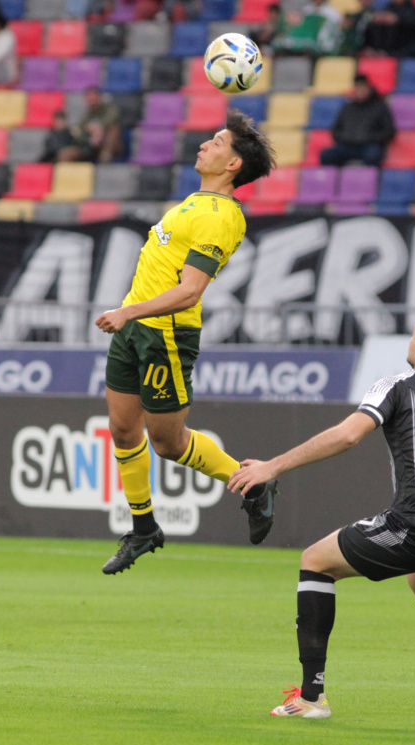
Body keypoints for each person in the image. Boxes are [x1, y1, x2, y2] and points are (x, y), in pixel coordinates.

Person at [230, 307, 415, 720]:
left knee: (316, 562)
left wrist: (273, 466)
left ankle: (311, 698)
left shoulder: (398, 384)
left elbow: (348, 435)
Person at [93, 111, 279, 575]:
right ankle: (143, 529)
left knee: (169, 444)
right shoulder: (193, 203)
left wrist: (128, 311)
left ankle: (252, 484)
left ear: (233, 164)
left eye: (216, 142)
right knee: (120, 429)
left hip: (166, 334)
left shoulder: (221, 216)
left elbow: (191, 290)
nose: (204, 144)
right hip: (134, 329)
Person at [320, 75, 396, 167]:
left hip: (369, 146)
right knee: (327, 155)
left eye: (363, 88)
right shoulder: (347, 107)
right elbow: (335, 130)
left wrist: (370, 138)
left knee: (373, 155)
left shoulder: (380, 107)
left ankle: (368, 180)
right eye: (357, 88)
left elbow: (389, 131)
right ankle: (335, 180)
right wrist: (346, 137)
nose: (360, 91)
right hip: (347, 145)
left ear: (369, 88)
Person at [58, 87, 123, 163]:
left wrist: (99, 129)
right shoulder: (86, 116)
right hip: (90, 147)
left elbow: (113, 117)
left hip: (109, 145)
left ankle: (105, 158)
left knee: (114, 128)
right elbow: (79, 133)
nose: (92, 101)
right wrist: (90, 139)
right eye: (89, 99)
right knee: (64, 154)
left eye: (94, 98)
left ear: (99, 97)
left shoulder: (109, 109)